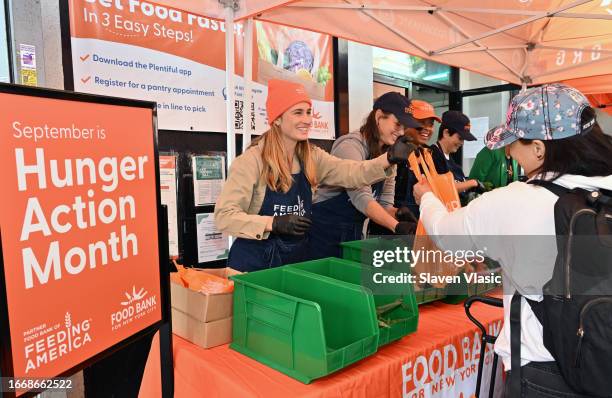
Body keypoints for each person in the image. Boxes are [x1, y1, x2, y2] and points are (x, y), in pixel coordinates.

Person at [413, 83, 612, 397]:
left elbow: (445, 234)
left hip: (544, 373)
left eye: (513, 142)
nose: (508, 152)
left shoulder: (515, 201)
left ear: (539, 148)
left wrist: (426, 198)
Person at [214, 79, 415, 272]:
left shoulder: (311, 157)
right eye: (298, 113)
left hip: (295, 262)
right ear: (277, 119)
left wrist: (387, 159)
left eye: (309, 112)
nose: (307, 120)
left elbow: (352, 172)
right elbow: (224, 217)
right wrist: (272, 223)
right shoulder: (251, 161)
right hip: (253, 265)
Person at [306, 92, 421, 259]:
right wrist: (396, 227)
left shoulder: (390, 154)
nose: (401, 132)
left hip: (351, 234)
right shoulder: (350, 146)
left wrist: (400, 215)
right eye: (397, 124)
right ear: (379, 116)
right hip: (322, 233)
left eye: (404, 127)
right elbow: (361, 197)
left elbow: (384, 203)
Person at [394, 99, 442, 219]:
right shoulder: (392, 152)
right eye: (420, 122)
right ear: (406, 122)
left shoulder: (429, 153)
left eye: (430, 124)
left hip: (423, 221)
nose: (427, 128)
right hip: (393, 226)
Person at [431, 110, 483, 200]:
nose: (462, 143)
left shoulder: (450, 159)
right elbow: (443, 188)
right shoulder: (433, 155)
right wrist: (473, 183)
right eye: (460, 138)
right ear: (446, 133)